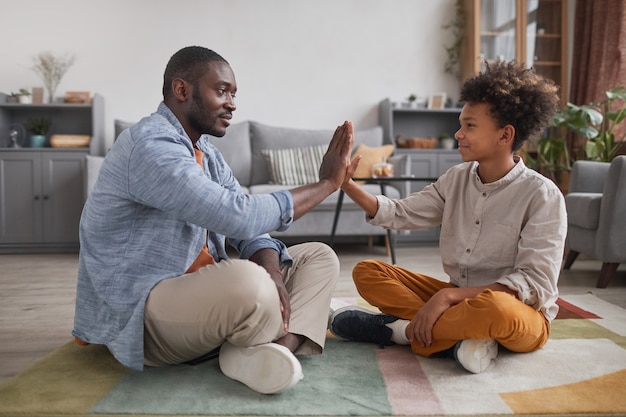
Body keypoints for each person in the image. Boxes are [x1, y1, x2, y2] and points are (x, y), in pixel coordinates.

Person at [73, 46, 354, 394]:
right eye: (221, 91)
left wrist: (275, 272)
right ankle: (279, 328)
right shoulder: (149, 145)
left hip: (198, 299)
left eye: (234, 94)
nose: (232, 104)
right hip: (144, 315)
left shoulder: (207, 153)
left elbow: (250, 232)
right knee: (248, 282)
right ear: (182, 90)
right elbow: (237, 213)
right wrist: (327, 184)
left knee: (319, 257)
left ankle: (276, 352)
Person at [329, 60, 566, 374]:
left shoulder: (542, 195)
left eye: (470, 125)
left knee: (495, 309)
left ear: (504, 134)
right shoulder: (456, 178)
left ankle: (397, 331)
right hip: (458, 303)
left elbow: (533, 284)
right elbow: (400, 212)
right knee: (368, 271)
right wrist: (346, 183)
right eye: (461, 124)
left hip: (517, 313)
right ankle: (459, 340)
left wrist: (448, 295)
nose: (458, 134)